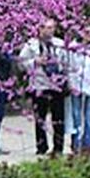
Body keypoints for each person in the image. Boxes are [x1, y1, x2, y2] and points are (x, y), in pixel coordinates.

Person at [19, 18, 68, 157]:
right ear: (39, 29)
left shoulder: (60, 44)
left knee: (58, 119)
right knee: (40, 118)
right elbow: (21, 62)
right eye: (46, 27)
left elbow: (66, 64)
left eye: (51, 27)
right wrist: (35, 61)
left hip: (56, 86)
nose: (49, 30)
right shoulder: (31, 44)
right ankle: (41, 146)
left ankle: (58, 147)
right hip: (39, 86)